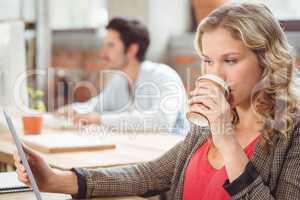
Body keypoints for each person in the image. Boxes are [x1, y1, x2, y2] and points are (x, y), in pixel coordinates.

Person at [15, 2, 300, 199]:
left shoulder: (292, 133)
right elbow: (151, 173)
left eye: (230, 60)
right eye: (208, 61)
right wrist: (56, 178)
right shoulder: (205, 128)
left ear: (266, 60)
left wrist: (227, 140)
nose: (215, 74)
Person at [56, 17, 188, 133]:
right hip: (142, 150)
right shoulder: (120, 80)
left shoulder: (163, 76)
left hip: (174, 156)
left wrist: (100, 120)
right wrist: (75, 110)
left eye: (111, 45)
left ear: (132, 49)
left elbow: (162, 121)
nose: (102, 54)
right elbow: (99, 105)